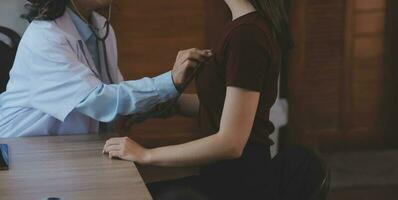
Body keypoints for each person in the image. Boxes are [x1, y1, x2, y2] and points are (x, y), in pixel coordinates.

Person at [102, 0, 327, 199]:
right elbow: (231, 108)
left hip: (238, 186)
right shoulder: (246, 27)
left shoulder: (247, 35)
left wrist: (146, 154)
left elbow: (231, 143)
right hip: (227, 178)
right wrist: (170, 105)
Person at [0, 0, 211, 138]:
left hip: (69, 148)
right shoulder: (45, 36)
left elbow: (115, 95)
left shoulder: (102, 28)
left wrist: (173, 100)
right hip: (21, 149)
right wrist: (169, 82)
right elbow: (97, 100)